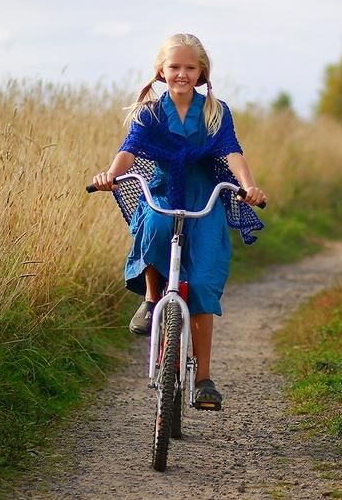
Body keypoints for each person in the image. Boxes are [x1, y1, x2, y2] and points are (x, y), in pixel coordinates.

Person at [91, 33, 266, 410]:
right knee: (153, 226)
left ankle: (203, 378)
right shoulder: (150, 112)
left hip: (205, 198)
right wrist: (109, 175)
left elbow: (232, 152)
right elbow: (129, 150)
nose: (181, 74)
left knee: (202, 284)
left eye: (189, 67)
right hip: (164, 191)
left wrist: (249, 186)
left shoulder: (215, 111)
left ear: (201, 71)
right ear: (161, 71)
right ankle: (153, 300)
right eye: (174, 67)